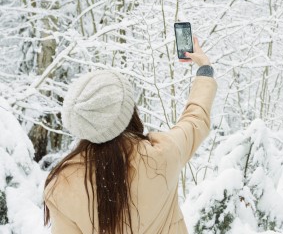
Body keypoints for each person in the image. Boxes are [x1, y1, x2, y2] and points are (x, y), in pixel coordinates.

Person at [43, 37, 217, 234]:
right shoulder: (163, 154)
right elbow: (196, 118)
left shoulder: (62, 186)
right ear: (129, 114)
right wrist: (204, 69)